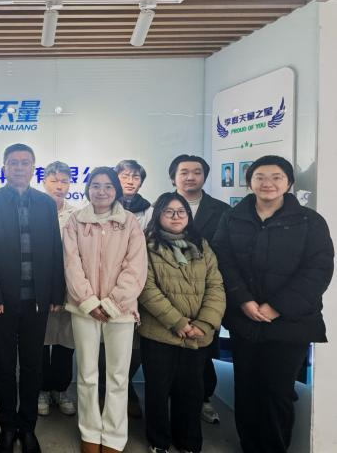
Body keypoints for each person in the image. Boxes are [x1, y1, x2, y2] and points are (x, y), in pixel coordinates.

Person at [213, 155, 334, 453]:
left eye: (276, 177)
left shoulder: (309, 221)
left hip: (291, 323)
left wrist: (277, 306)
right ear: (250, 182)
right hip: (245, 319)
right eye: (260, 177)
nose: (268, 183)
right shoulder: (232, 217)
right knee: (247, 389)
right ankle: (250, 446)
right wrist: (243, 300)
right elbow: (222, 260)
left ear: (289, 183)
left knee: (277, 392)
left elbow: (318, 270)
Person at [0, 143, 65, 453]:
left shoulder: (45, 203)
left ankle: (27, 427)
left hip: (36, 301)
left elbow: (54, 249)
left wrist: (55, 292)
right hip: (2, 302)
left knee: (31, 366)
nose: (19, 167)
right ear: (4, 167)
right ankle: (7, 427)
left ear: (33, 168)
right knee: (3, 365)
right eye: (13, 162)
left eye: (25, 162)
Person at [63, 166, 147, 453]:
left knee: (118, 377)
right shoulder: (75, 221)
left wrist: (112, 304)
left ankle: (113, 436)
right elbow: (71, 264)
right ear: (88, 189)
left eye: (108, 186)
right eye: (96, 185)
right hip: (83, 309)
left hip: (120, 311)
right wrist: (88, 302)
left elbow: (136, 267)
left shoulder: (130, 223)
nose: (101, 191)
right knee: (87, 374)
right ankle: (89, 432)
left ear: (116, 190)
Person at [139, 192, 226, 453]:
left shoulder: (201, 245)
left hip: (197, 333)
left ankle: (188, 442)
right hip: (159, 331)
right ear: (158, 215)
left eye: (181, 212)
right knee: (157, 389)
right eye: (169, 212)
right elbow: (146, 289)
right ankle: (159, 441)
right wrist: (178, 322)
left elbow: (216, 286)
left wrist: (205, 323)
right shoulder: (145, 245)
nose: (176, 217)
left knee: (191, 390)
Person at [169, 154, 229, 424]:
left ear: (204, 176)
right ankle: (172, 399)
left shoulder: (222, 210)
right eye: (184, 172)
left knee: (203, 350)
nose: (190, 177)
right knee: (170, 350)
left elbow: (225, 253)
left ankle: (204, 398)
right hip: (169, 291)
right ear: (173, 177)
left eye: (196, 172)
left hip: (205, 292)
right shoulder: (161, 207)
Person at [115, 159, 153, 419]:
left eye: (135, 177)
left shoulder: (149, 210)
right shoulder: (102, 204)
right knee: (106, 347)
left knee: (134, 345)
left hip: (138, 283)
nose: (130, 181)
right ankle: (106, 393)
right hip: (107, 283)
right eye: (125, 176)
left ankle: (126, 390)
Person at [39, 161, 77, 417]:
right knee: (40, 341)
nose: (59, 186)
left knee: (66, 340)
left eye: (64, 181)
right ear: (44, 183)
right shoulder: (35, 209)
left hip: (70, 287)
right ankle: (41, 390)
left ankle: (60, 390)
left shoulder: (77, 214)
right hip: (41, 287)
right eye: (54, 181)